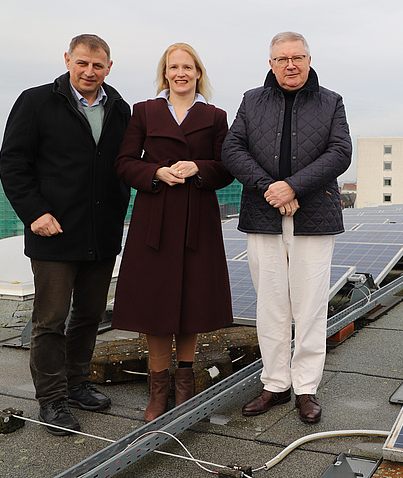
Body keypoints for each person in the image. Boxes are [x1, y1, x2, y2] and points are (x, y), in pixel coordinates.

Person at [0, 34, 131, 436]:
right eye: (82, 63)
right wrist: (34, 212)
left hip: (101, 231)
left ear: (109, 67)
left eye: (98, 65)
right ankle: (52, 399)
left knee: (90, 316)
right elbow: (13, 162)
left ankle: (77, 384)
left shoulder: (120, 108)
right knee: (51, 321)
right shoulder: (36, 101)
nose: (89, 71)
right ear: (68, 61)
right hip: (53, 231)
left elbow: (126, 162)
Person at [222, 31, 351, 424]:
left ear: (309, 60)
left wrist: (293, 186)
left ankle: (306, 388)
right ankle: (275, 383)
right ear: (271, 63)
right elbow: (232, 149)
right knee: (271, 304)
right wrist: (270, 189)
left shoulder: (331, 101)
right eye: (282, 58)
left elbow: (340, 152)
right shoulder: (250, 100)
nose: (290, 65)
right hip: (264, 215)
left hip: (315, 217)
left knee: (310, 306)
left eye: (297, 57)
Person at [112, 43, 234, 422]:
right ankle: (158, 388)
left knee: (192, 302)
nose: (180, 73)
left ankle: (185, 384)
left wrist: (198, 167)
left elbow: (225, 166)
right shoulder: (144, 112)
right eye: (173, 67)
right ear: (164, 73)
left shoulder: (215, 116)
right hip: (156, 218)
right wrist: (154, 173)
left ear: (199, 73)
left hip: (197, 218)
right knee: (156, 304)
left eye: (188, 67)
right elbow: (124, 162)